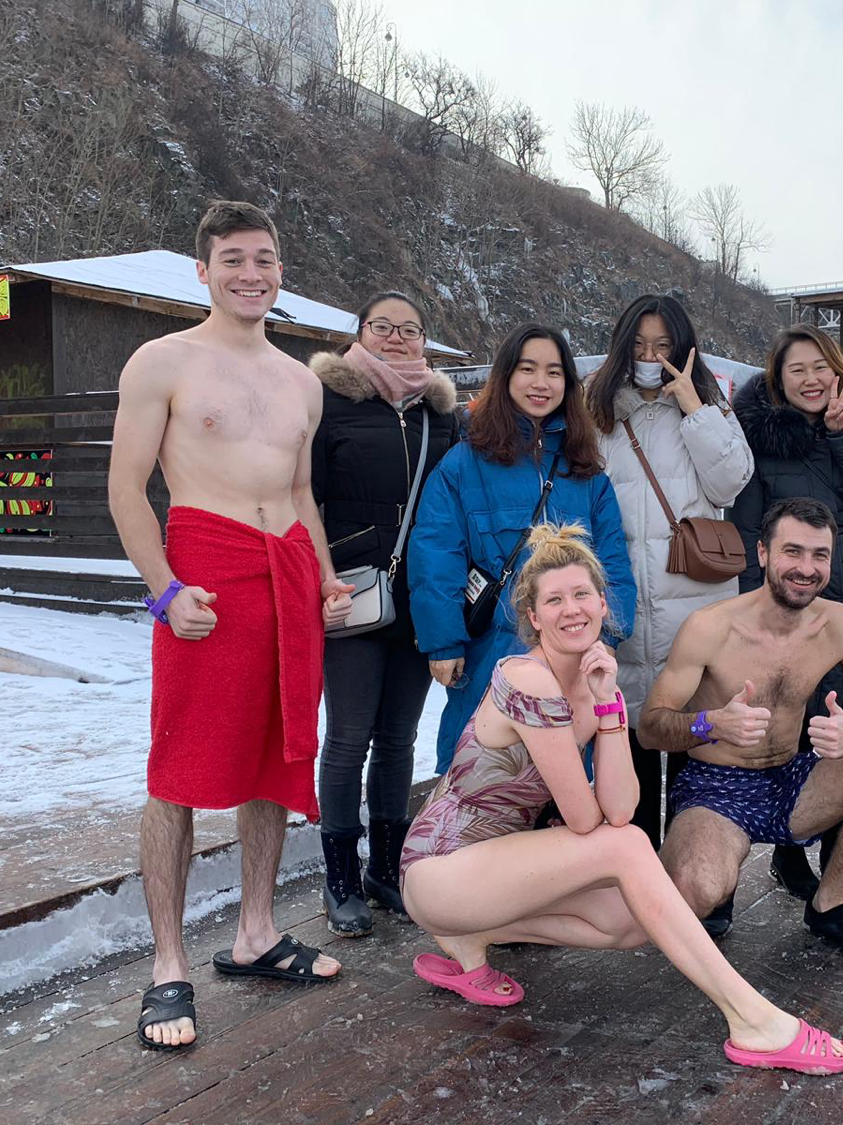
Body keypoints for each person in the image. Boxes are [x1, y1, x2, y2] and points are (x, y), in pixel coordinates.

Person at [399, 524, 843, 1076]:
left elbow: (618, 809)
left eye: (582, 594)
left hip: (494, 874)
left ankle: (472, 932)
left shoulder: (597, 688)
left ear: (601, 602)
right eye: (554, 600)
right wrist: (610, 753)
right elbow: (587, 819)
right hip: (438, 869)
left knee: (630, 920)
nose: (572, 610)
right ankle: (753, 1019)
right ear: (534, 617)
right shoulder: (527, 678)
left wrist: (611, 706)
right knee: (627, 849)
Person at [108, 201, 353, 1050]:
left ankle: (254, 931)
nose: (253, 273)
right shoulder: (162, 361)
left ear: (282, 270)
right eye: (235, 259)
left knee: (276, 755)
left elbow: (298, 494)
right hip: (204, 572)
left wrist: (323, 575)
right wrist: (165, 591)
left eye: (266, 259)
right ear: (203, 269)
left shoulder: (301, 381)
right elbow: (126, 488)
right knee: (177, 768)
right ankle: (167, 965)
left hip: (286, 571)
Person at [638, 498, 843, 963]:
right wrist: (712, 724)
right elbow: (650, 730)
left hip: (793, 778)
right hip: (717, 788)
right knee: (694, 891)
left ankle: (829, 903)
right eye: (793, 552)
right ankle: (719, 883)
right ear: (763, 554)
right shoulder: (710, 627)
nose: (806, 568)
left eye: (820, 555)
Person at [409, 323, 636, 774]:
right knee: (480, 777)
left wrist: (607, 636)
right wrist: (443, 642)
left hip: (571, 653)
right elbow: (436, 552)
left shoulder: (585, 471)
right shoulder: (465, 461)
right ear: (506, 376)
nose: (540, 383)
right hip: (490, 651)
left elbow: (612, 561)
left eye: (554, 372)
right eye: (528, 368)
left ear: (568, 385)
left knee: (567, 779)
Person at [731, 324, 843, 911]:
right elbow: (750, 530)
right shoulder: (759, 440)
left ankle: (840, 864)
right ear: (777, 381)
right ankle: (790, 849)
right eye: (796, 370)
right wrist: (761, 616)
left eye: (819, 367)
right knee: (801, 724)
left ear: (838, 372)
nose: (810, 379)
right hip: (793, 602)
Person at [308, 291, 459, 936]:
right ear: (361, 333)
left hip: (417, 598)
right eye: (383, 327)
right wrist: (321, 575)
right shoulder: (326, 402)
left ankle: (386, 869)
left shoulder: (440, 415)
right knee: (347, 738)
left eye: (411, 330)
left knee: (398, 738)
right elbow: (301, 497)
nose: (398, 338)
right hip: (350, 593)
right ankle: (339, 877)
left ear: (425, 340)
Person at [585, 294, 754, 848]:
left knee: (693, 740)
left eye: (662, 346)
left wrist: (694, 409)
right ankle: (633, 878)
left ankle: (692, 875)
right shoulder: (600, 412)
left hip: (694, 607)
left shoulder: (709, 408)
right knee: (627, 740)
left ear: (684, 350)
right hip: (623, 600)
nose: (650, 357)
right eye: (638, 346)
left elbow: (731, 483)